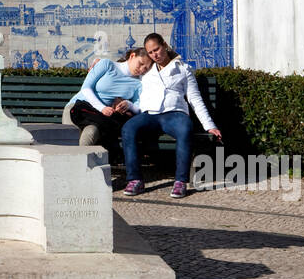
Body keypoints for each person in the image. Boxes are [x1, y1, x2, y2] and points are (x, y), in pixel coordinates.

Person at [121, 33, 222, 198]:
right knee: (128, 128)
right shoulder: (146, 70)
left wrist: (210, 126)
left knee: (185, 129)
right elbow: (122, 67)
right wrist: (99, 64)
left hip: (174, 114)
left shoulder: (183, 69)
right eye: (151, 52)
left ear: (164, 45)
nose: (155, 55)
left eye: (157, 49)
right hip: (150, 114)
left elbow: (195, 99)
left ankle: (180, 181)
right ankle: (135, 180)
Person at [67, 48, 154, 154]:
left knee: (91, 131)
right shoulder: (106, 64)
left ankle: (79, 165)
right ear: (132, 56)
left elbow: (139, 108)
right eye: (140, 63)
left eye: (146, 68)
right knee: (69, 138)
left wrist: (128, 104)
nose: (141, 69)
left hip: (97, 117)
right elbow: (86, 88)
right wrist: (102, 107)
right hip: (77, 107)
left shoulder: (138, 83)